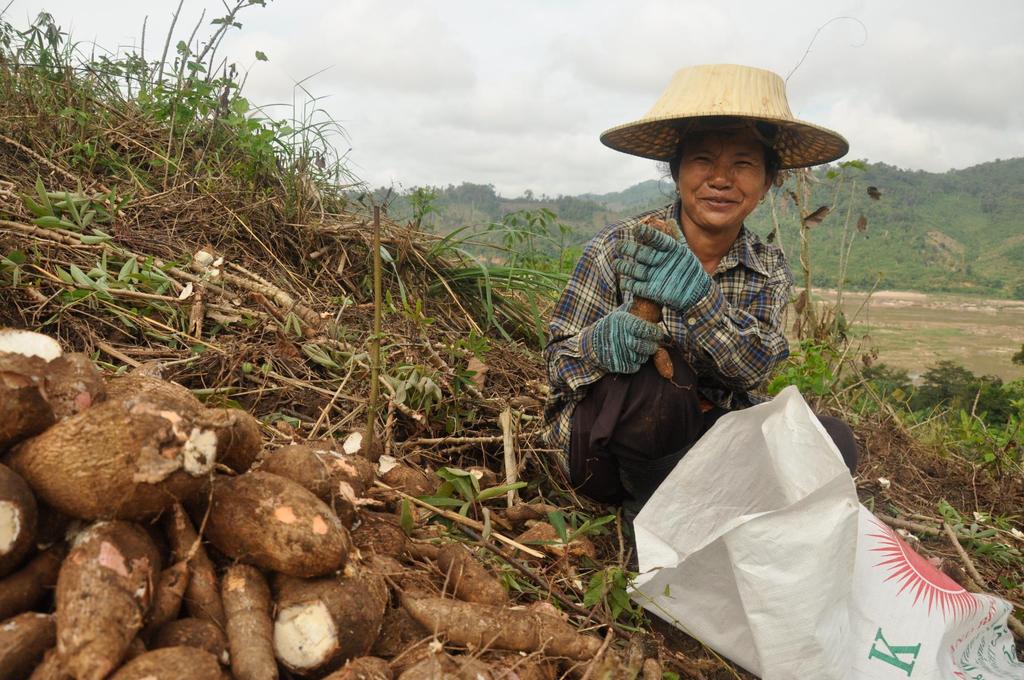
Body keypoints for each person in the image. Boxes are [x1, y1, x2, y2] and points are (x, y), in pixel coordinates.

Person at [542, 64, 859, 518]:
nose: (721, 179)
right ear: (676, 171)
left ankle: (702, 506)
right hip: (603, 452)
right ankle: (662, 524)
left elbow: (755, 369)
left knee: (831, 440)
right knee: (659, 382)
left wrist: (700, 299)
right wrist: (601, 344)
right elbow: (557, 363)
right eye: (703, 160)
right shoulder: (619, 247)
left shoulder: (765, 267)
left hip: (707, 449)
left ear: (768, 180)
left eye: (743, 164)